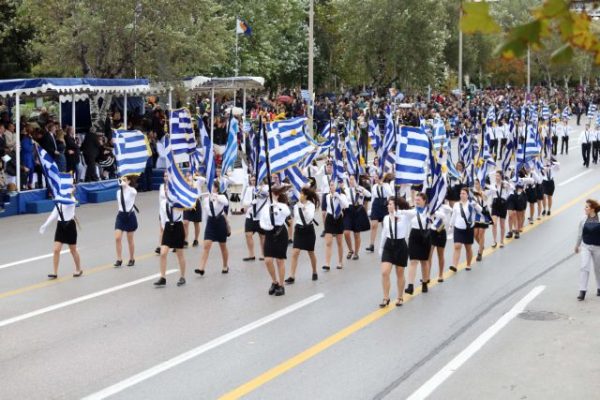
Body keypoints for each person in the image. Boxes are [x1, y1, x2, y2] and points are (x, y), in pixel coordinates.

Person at [378, 197, 411, 307]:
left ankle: (400, 297)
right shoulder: (386, 218)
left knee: (399, 273)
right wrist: (381, 247)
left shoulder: (404, 217)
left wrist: (401, 212)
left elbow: (414, 212)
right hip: (389, 245)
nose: (388, 206)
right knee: (384, 272)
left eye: (391, 204)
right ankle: (385, 297)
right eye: (388, 204)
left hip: (400, 245)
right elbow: (384, 233)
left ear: (396, 206)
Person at [260, 186, 291, 296]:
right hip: (269, 232)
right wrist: (267, 227)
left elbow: (287, 212)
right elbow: (262, 221)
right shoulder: (265, 207)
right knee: (268, 260)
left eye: (271, 193)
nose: (269, 195)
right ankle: (274, 282)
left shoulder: (281, 205)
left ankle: (281, 285)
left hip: (280, 233)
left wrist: (277, 205)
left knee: (279, 260)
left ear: (276, 195)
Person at [39, 202, 83, 279]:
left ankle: (78, 269)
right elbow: (53, 214)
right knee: (56, 249)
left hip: (70, 226)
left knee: (73, 250)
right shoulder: (59, 201)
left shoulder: (71, 200)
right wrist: (45, 225)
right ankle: (55, 273)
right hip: (60, 226)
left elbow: (72, 202)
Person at [195, 181, 230, 275]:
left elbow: (226, 203)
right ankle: (201, 268)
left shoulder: (221, 196)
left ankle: (225, 266)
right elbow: (206, 213)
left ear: (216, 188)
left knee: (222, 246)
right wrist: (205, 226)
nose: (211, 189)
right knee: (206, 245)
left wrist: (216, 197)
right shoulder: (206, 199)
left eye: (213, 187)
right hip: (211, 222)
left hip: (220, 221)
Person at [154, 187, 187, 287]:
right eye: (166, 190)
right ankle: (163, 277)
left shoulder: (179, 201)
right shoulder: (163, 203)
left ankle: (182, 276)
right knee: (163, 253)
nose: (167, 192)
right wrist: (164, 229)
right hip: (168, 227)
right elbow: (163, 217)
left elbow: (184, 207)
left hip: (178, 226)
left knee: (179, 253)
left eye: (170, 190)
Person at [286, 186, 319, 283]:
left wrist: (303, 208)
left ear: (306, 195)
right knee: (295, 252)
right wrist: (297, 205)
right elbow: (296, 217)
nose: (300, 195)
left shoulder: (311, 205)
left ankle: (314, 271)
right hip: (299, 230)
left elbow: (310, 217)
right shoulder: (297, 205)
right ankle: (292, 276)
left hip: (308, 229)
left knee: (311, 252)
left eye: (301, 193)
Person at [449, 188, 482, 272]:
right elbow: (453, 216)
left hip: (468, 229)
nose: (461, 195)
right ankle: (454, 265)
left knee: (468, 248)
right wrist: (450, 225)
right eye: (461, 193)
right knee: (457, 246)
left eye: (463, 193)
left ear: (467, 195)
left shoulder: (471, 204)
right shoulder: (456, 204)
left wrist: (476, 205)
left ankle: (468, 264)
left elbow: (480, 210)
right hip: (458, 228)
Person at [405, 193, 432, 295]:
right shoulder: (413, 211)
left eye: (419, 200)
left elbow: (442, 217)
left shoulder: (429, 211)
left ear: (424, 201)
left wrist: (433, 217)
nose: (416, 201)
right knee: (413, 261)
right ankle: (410, 286)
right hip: (414, 236)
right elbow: (403, 212)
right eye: (416, 200)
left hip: (425, 236)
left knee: (424, 262)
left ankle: (424, 283)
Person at [574, 199, 600, 301]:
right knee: (584, 266)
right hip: (586, 246)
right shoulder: (583, 219)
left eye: (587, 207)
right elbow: (580, 234)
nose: (584, 208)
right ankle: (582, 290)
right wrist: (577, 245)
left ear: (592, 209)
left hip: (598, 247)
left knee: (598, 268)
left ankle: (599, 287)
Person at [343, 174, 371, 260]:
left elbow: (369, 195)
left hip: (358, 210)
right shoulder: (345, 190)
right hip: (348, 210)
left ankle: (356, 253)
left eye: (353, 179)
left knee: (356, 234)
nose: (351, 181)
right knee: (346, 232)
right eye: (350, 179)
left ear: (356, 180)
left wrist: (361, 189)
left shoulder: (360, 189)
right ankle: (350, 250)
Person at [323, 180, 349, 271]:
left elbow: (346, 205)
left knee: (339, 242)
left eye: (333, 185)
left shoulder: (342, 196)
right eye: (330, 185)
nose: (331, 187)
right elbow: (327, 208)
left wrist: (338, 196)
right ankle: (327, 263)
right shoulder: (327, 196)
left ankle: (340, 262)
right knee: (328, 242)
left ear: (337, 187)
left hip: (339, 219)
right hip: (330, 218)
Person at [114, 175, 138, 267]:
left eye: (124, 180)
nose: (122, 181)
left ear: (128, 181)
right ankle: (119, 259)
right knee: (117, 237)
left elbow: (135, 192)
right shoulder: (118, 192)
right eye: (121, 180)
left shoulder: (132, 191)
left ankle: (132, 258)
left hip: (130, 216)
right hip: (121, 215)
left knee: (130, 239)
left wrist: (126, 186)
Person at [242, 176, 268, 261]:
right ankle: (251, 254)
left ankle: (263, 254)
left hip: (261, 216)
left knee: (262, 236)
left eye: (255, 180)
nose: (253, 181)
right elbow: (245, 202)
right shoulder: (249, 189)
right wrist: (251, 202)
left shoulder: (266, 188)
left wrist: (260, 190)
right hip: (250, 215)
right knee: (248, 234)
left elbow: (267, 195)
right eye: (252, 180)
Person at [366, 173, 392, 252]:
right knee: (373, 225)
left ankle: (386, 244)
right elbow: (373, 198)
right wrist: (371, 209)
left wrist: (382, 184)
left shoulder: (386, 185)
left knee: (385, 226)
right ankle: (371, 245)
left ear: (380, 178)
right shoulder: (374, 186)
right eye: (374, 177)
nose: (375, 179)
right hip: (376, 205)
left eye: (377, 177)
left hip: (384, 204)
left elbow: (390, 194)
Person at [183, 173, 205, 247]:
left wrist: (195, 176)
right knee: (185, 222)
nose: (188, 177)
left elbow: (203, 179)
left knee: (196, 222)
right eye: (186, 175)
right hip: (188, 203)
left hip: (196, 202)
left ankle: (196, 239)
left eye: (189, 175)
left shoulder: (197, 183)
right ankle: (185, 240)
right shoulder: (184, 184)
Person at [489, 171, 510, 248]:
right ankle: (494, 241)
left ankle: (501, 241)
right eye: (496, 176)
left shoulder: (505, 184)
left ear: (501, 176)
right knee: (494, 223)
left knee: (502, 224)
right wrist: (491, 202)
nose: (496, 177)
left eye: (498, 176)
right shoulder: (492, 185)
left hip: (503, 204)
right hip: (495, 205)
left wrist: (505, 183)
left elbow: (511, 189)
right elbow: (491, 194)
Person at [473, 179, 492, 261]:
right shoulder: (473, 193)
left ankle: (480, 253)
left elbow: (491, 192)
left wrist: (484, 189)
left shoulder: (485, 191)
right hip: (476, 214)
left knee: (481, 233)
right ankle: (482, 245)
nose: (476, 185)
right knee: (475, 234)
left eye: (478, 184)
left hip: (484, 213)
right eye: (475, 184)